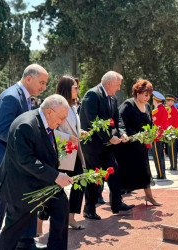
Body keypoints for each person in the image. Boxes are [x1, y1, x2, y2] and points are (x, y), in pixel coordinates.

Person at [0, 64, 48, 250]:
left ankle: (18, 242)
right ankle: (5, 244)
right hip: (2, 154)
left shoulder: (23, 96)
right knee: (11, 197)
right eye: (41, 82)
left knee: (8, 199)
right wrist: (28, 143)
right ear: (29, 79)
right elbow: (2, 130)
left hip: (9, 154)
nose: (43, 87)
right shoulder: (11, 96)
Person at [0, 95, 73, 249]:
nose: (63, 122)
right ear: (49, 111)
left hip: (42, 181)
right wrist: (56, 176)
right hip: (21, 186)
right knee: (13, 230)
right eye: (62, 117)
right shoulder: (26, 125)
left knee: (61, 205)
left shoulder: (45, 121)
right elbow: (26, 160)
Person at [79, 71, 134, 220]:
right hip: (93, 146)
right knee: (95, 177)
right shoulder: (92, 95)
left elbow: (118, 119)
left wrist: (122, 133)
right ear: (108, 83)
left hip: (107, 146)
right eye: (117, 85)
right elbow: (93, 122)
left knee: (114, 172)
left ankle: (116, 204)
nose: (118, 88)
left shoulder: (113, 98)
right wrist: (109, 138)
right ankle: (89, 209)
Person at [37, 76, 87, 233]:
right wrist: (67, 138)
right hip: (58, 151)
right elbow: (49, 129)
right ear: (67, 88)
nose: (78, 90)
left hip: (73, 151)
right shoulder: (55, 104)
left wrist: (80, 133)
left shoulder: (73, 107)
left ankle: (71, 217)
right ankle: (39, 224)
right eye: (75, 87)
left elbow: (72, 128)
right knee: (53, 188)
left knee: (79, 180)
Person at [115, 79, 162, 206]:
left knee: (145, 170)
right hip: (127, 146)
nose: (148, 98)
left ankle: (149, 197)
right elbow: (120, 122)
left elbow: (150, 123)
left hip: (141, 146)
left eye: (149, 95)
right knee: (125, 171)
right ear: (138, 93)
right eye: (145, 95)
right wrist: (132, 135)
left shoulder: (147, 106)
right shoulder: (128, 104)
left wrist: (152, 133)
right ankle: (116, 200)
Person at [151, 91, 169, 179]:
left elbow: (154, 124)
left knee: (157, 156)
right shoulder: (164, 109)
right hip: (162, 135)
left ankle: (160, 174)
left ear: (155, 100)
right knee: (161, 155)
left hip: (156, 136)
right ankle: (162, 173)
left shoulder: (156, 110)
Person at [165, 94, 178, 170]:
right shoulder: (168, 110)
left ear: (172, 101)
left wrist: (172, 132)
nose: (167, 102)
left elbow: (176, 123)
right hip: (168, 133)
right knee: (170, 150)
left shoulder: (174, 110)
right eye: (166, 101)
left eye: (168, 101)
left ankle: (174, 166)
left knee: (172, 151)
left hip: (172, 133)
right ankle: (172, 165)